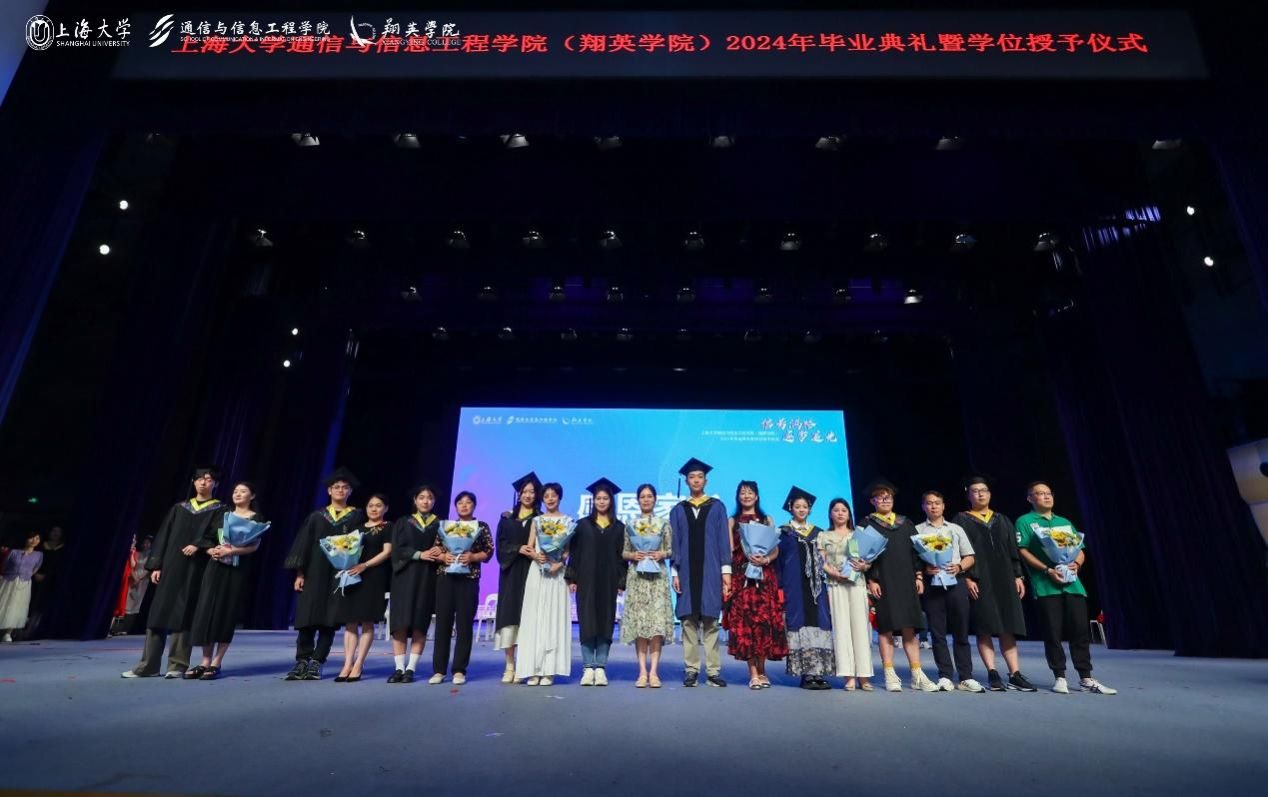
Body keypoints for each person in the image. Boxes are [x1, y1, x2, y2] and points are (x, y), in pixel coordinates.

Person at [122, 465, 224, 679]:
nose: (203, 482)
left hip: (196, 568)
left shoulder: (219, 509)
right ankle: (148, 666)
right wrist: (156, 565)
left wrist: (199, 544)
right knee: (158, 612)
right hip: (170, 566)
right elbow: (163, 536)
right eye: (200, 478)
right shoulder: (179, 508)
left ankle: (177, 665)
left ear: (215, 484)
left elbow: (218, 536)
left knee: (184, 613)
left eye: (208, 479)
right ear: (193, 482)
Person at [1016, 481, 1117, 695]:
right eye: (1040, 493)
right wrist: (1046, 570)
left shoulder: (1063, 522)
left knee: (1080, 631)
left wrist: (1076, 564)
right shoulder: (1025, 521)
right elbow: (1022, 550)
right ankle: (1059, 676)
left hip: (1073, 585)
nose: (1046, 496)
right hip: (1046, 585)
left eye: (1048, 493)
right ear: (1030, 498)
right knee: (1052, 633)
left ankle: (1086, 677)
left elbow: (1079, 550)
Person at [953, 474, 1038, 692]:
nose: (980, 494)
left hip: (1005, 578)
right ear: (968, 495)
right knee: (985, 626)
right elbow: (958, 552)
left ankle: (1015, 674)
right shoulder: (961, 520)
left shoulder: (1002, 519)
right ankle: (992, 672)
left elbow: (1013, 550)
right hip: (979, 579)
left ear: (989, 494)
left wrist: (1018, 576)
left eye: (983, 490)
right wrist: (967, 578)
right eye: (975, 491)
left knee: (1008, 626)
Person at [283, 467, 365, 681]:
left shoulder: (356, 516)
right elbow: (304, 545)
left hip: (339, 573)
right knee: (307, 617)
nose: (340, 490)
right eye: (336, 487)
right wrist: (300, 574)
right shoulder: (317, 516)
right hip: (314, 571)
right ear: (329, 490)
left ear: (350, 491)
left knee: (330, 618)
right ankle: (302, 660)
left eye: (345, 487)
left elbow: (359, 544)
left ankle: (317, 662)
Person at [863, 481, 938, 692]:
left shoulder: (905, 523)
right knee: (886, 628)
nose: (885, 499)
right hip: (883, 582)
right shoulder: (867, 523)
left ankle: (917, 674)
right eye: (880, 497)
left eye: (888, 496)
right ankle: (889, 673)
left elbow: (916, 552)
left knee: (909, 628)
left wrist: (919, 576)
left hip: (906, 580)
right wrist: (871, 580)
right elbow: (863, 555)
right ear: (872, 501)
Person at [187, 482, 266, 680]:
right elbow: (206, 538)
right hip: (215, 567)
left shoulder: (256, 518)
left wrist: (232, 551)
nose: (237, 494)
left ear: (252, 496)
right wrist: (211, 550)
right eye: (235, 491)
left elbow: (254, 546)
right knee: (207, 610)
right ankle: (205, 661)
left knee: (226, 612)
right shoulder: (223, 514)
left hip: (236, 570)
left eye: (243, 491)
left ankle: (216, 662)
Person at [670, 458, 732, 688]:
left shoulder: (717, 507)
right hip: (686, 571)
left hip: (711, 570)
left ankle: (713, 671)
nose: (696, 480)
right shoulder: (678, 510)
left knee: (711, 621)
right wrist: (674, 573)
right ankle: (691, 670)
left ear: (706, 481)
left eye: (700, 477)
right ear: (687, 481)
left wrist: (726, 572)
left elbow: (723, 540)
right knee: (688, 621)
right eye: (692, 477)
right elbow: (675, 543)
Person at [915, 491, 984, 693]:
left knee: (961, 631)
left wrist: (959, 566)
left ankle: (966, 677)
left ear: (944, 506)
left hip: (956, 582)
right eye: (929, 503)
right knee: (937, 633)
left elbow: (970, 556)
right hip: (932, 585)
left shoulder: (955, 529)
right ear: (923, 507)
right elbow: (914, 560)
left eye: (937, 503)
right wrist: (925, 569)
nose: (933, 506)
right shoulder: (917, 530)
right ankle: (945, 676)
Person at [723, 480, 787, 689]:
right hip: (743, 579)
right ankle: (753, 673)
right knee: (747, 625)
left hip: (765, 577)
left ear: (757, 496)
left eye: (750, 492)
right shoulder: (732, 521)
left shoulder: (767, 519)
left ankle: (762, 670)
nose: (746, 496)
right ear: (737, 496)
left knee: (764, 624)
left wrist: (765, 559)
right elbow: (729, 551)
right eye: (742, 493)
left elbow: (775, 549)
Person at [567, 477, 627, 686]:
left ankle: (600, 667)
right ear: (593, 501)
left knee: (605, 621)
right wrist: (572, 577)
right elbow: (574, 554)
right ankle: (587, 667)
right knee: (587, 621)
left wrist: (621, 582)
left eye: (605, 498)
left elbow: (622, 558)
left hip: (609, 581)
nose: (601, 502)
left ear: (611, 501)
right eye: (598, 498)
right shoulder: (582, 525)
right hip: (586, 581)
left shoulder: (619, 527)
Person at [429, 490, 493, 684]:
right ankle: (439, 670)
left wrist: (473, 557)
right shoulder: (446, 526)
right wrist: (443, 557)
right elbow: (435, 549)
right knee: (443, 624)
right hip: (446, 577)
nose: (464, 506)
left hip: (469, 578)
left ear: (474, 506)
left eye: (468, 502)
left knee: (465, 625)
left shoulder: (481, 526)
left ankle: (459, 670)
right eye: (460, 503)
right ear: (455, 506)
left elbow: (489, 550)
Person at [330, 493, 393, 683]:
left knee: (367, 621)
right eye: (370, 505)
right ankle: (347, 663)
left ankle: (359, 664)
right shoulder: (357, 528)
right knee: (350, 622)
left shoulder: (388, 527)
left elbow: (387, 552)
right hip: (353, 576)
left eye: (378, 505)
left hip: (374, 577)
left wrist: (365, 565)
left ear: (385, 508)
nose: (374, 508)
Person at [514, 483, 572, 685]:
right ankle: (533, 669)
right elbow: (529, 546)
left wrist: (559, 563)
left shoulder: (567, 521)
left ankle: (549, 670)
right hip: (537, 572)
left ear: (559, 497)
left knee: (553, 618)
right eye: (546, 496)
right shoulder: (536, 521)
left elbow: (567, 550)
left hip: (556, 573)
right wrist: (536, 556)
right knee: (535, 617)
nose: (550, 499)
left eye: (554, 495)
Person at [777, 487, 835, 689]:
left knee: (820, 623)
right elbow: (779, 562)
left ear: (809, 510)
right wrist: (780, 587)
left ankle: (819, 672)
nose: (801, 509)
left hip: (817, 587)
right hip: (794, 585)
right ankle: (806, 674)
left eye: (805, 507)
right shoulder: (784, 533)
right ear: (791, 508)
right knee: (799, 623)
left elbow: (826, 559)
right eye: (797, 506)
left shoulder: (819, 533)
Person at [386, 484, 443, 683]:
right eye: (422, 497)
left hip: (427, 577)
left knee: (420, 622)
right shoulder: (403, 522)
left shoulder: (440, 525)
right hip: (404, 577)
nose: (426, 501)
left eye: (430, 498)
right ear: (415, 500)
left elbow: (445, 549)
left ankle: (411, 668)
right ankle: (399, 668)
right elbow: (397, 549)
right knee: (400, 623)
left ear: (434, 501)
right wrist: (420, 554)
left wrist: (440, 551)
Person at [620, 483, 674, 688]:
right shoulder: (631, 524)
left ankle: (654, 672)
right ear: (637, 500)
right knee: (641, 626)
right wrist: (633, 555)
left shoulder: (663, 524)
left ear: (655, 499)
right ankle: (642, 671)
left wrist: (662, 554)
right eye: (642, 496)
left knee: (657, 626)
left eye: (649, 496)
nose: (646, 499)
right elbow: (624, 551)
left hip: (658, 578)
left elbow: (671, 550)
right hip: (638, 578)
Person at [818, 498, 875, 691]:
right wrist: (833, 573)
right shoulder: (824, 535)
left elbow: (868, 561)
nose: (840, 513)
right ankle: (848, 676)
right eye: (836, 510)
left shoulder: (858, 534)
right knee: (841, 629)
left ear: (849, 514)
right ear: (830, 514)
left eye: (844, 510)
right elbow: (821, 561)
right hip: (836, 585)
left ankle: (864, 676)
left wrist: (863, 566)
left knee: (861, 629)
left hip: (857, 584)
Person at [493, 472, 542, 683]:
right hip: (511, 573)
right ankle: (510, 665)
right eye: (525, 491)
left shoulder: (541, 519)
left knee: (530, 618)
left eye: (532, 492)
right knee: (510, 617)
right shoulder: (507, 518)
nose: (528, 495)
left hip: (533, 572)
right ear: (519, 494)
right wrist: (517, 548)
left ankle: (525, 666)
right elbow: (501, 545)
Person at [0, 532, 43, 642]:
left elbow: (35, 569)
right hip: (9, 581)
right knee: (3, 604)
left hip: (24, 584)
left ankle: (8, 633)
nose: (34, 540)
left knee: (17, 607)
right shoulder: (14, 552)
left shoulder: (38, 555)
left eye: (37, 538)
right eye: (31, 538)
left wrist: (25, 576)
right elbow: (4, 566)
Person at [110, 536, 151, 637]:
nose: (145, 545)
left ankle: (127, 628)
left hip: (142, 581)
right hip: (131, 578)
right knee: (126, 602)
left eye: (148, 543)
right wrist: (135, 578)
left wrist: (139, 579)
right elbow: (132, 566)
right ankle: (117, 628)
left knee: (136, 604)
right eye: (144, 542)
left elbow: (149, 568)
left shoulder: (151, 555)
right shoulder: (137, 553)